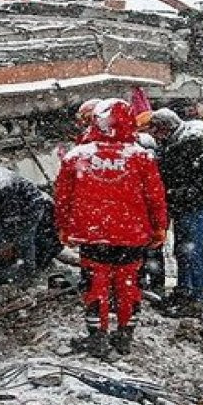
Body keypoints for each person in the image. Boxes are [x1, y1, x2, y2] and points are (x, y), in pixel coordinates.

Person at [55, 98, 167, 357]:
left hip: (92, 235)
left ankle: (98, 338)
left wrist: (63, 227)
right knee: (128, 285)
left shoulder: (76, 156)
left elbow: (63, 198)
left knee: (96, 285)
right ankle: (125, 336)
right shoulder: (142, 157)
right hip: (132, 235)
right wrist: (159, 227)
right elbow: (155, 197)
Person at [153, 116, 203, 318]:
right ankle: (184, 292)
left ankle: (195, 298)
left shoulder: (190, 147)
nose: (155, 136)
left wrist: (183, 192)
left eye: (157, 131)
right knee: (183, 252)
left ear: (166, 128)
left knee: (192, 253)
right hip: (186, 207)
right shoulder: (172, 147)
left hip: (196, 207)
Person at [0, 160, 60, 285]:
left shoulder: (0, 186)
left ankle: (27, 275)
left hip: (30, 205)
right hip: (7, 206)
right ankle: (3, 274)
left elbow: (7, 217)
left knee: (23, 240)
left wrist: (8, 243)